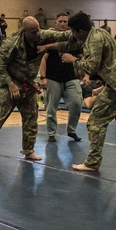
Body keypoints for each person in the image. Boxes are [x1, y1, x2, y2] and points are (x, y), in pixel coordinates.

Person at [41, 12, 116, 172]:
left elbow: (91, 67)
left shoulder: (95, 40)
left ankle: (92, 162)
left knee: (96, 120)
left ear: (80, 31)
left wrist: (74, 60)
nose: (71, 34)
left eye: (73, 31)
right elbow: (68, 41)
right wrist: (45, 41)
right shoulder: (94, 33)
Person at [0, 17, 47, 164]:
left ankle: (29, 151)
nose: (36, 33)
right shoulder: (12, 43)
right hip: (10, 86)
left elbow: (60, 38)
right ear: (24, 30)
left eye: (37, 30)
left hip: (28, 85)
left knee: (31, 120)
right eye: (33, 31)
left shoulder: (41, 38)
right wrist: (10, 84)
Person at [38, 13, 82, 143]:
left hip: (70, 77)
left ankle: (71, 130)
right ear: (55, 23)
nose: (63, 24)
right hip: (53, 77)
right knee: (51, 107)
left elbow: (80, 58)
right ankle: (51, 133)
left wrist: (85, 75)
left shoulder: (74, 38)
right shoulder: (50, 39)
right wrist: (42, 77)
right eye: (60, 21)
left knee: (76, 103)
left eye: (65, 22)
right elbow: (43, 60)